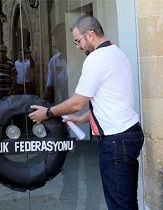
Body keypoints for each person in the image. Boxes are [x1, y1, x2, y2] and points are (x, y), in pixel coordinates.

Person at [29, 15, 144, 210]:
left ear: (90, 34)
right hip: (128, 134)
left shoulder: (96, 59)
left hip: (116, 141)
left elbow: (76, 102)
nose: (78, 46)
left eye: (78, 40)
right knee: (127, 202)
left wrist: (48, 113)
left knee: (120, 205)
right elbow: (111, 100)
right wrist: (82, 118)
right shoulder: (116, 52)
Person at [43, 22, 69, 103]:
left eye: (61, 39)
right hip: (63, 105)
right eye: (56, 40)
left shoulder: (81, 59)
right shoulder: (53, 61)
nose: (58, 44)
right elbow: (50, 87)